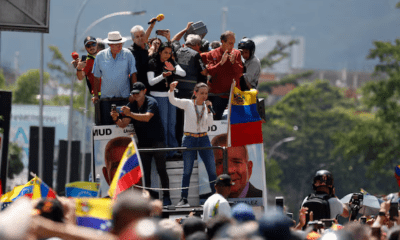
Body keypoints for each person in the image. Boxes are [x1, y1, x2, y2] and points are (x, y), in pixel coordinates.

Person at [111, 82, 171, 206]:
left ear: (144, 91)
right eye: (133, 93)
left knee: (161, 170)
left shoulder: (151, 102)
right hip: (143, 143)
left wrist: (130, 114)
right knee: (145, 174)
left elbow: (147, 117)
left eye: (138, 92)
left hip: (158, 141)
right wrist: (116, 118)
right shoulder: (131, 105)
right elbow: (123, 124)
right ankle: (147, 201)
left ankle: (166, 197)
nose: (135, 95)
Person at [168, 81, 217, 207]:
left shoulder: (207, 107)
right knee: (187, 171)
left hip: (204, 138)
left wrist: (210, 111)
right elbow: (173, 101)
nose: (204, 96)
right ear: (195, 93)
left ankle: (216, 197)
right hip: (189, 138)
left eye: (206, 93)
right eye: (201, 93)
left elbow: (210, 125)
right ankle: (183, 199)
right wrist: (171, 90)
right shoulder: (188, 103)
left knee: (211, 170)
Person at [147, 42, 186, 159]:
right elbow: (151, 82)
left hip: (170, 95)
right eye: (165, 52)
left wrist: (173, 69)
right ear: (159, 52)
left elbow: (183, 73)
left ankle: (172, 150)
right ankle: (163, 151)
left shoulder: (171, 62)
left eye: (169, 53)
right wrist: (162, 76)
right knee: (163, 124)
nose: (167, 55)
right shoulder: (152, 63)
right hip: (158, 96)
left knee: (172, 123)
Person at [92, 31, 137, 125]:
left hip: (124, 99)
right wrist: (96, 95)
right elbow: (96, 77)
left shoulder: (128, 54)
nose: (120, 47)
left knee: (124, 130)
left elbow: (133, 74)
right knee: (107, 129)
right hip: (106, 100)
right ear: (110, 45)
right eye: (116, 45)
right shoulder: (100, 56)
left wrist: (133, 93)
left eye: (121, 44)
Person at [203, 31, 243, 120]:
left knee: (234, 123)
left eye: (233, 43)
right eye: (230, 43)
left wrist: (234, 62)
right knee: (216, 121)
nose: (232, 46)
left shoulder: (236, 54)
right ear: (222, 41)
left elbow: (240, 73)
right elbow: (210, 72)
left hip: (233, 96)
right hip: (217, 96)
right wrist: (220, 63)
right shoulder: (212, 54)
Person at [211, 133, 262, 198]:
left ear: (249, 169)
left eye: (237, 162)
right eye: (220, 163)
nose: (229, 170)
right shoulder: (205, 201)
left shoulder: (261, 198)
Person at [174, 34, 208, 99]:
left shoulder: (177, 50)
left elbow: (174, 40)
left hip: (176, 87)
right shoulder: (195, 54)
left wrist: (186, 29)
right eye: (199, 45)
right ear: (197, 44)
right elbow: (204, 72)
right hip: (190, 90)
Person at [128, 19, 157, 93]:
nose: (140, 38)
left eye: (141, 35)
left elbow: (144, 39)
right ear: (133, 39)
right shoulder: (130, 51)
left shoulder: (147, 46)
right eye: (137, 37)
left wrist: (151, 26)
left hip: (151, 85)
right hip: (138, 88)